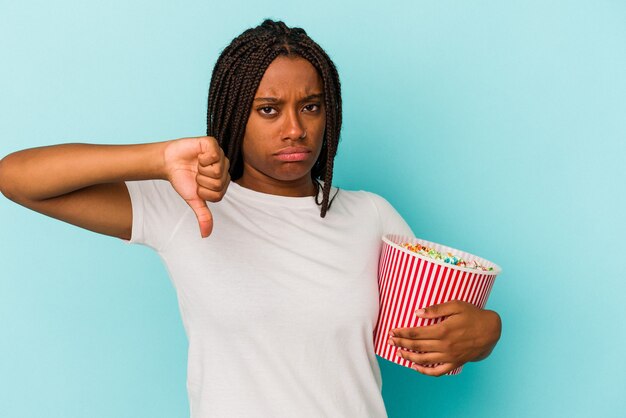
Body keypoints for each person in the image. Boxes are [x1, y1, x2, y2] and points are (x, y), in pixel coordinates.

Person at [0, 19, 501, 418]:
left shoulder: (370, 216)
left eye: (311, 107)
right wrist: (159, 157)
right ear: (234, 114)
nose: (294, 129)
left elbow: (435, 332)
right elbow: (18, 177)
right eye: (268, 110)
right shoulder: (186, 206)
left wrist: (486, 331)